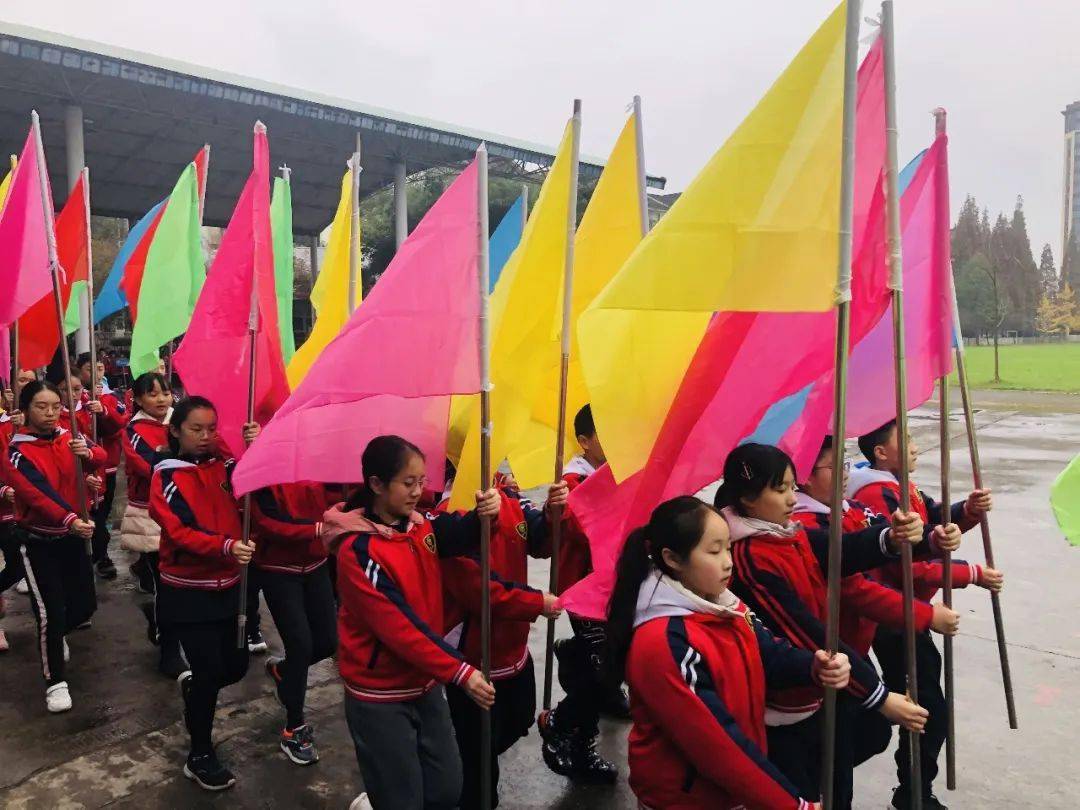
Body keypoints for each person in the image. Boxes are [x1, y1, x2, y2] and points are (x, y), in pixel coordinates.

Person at [717, 443, 934, 809]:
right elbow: (803, 631)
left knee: (839, 775)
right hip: (785, 704)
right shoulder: (751, 557)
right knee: (812, 788)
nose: (791, 497)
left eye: (791, 485)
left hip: (818, 688)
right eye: (781, 489)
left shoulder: (786, 531)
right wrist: (878, 696)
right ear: (749, 500)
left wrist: (891, 538)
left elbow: (840, 549)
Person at [607, 495, 852, 809]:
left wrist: (814, 667)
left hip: (729, 791)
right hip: (688, 799)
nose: (727, 561)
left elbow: (768, 652)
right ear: (672, 559)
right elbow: (717, 744)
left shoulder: (723, 603)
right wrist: (792, 805)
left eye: (727, 547)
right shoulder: (664, 642)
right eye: (713, 551)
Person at [324, 435, 501, 810]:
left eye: (422, 482)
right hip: (380, 693)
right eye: (408, 483)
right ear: (375, 484)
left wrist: (487, 513)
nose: (418, 492)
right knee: (401, 799)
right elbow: (399, 627)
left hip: (424, 682)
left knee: (446, 788)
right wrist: (460, 672)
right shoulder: (358, 551)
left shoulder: (420, 527)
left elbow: (462, 533)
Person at [849, 421, 1003, 810]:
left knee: (925, 704)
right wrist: (972, 574)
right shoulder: (876, 492)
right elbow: (906, 564)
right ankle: (913, 794)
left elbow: (933, 519)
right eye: (907, 440)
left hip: (909, 615)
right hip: (894, 617)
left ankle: (914, 789)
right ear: (880, 452)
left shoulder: (898, 485)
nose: (916, 447)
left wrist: (967, 511)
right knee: (926, 708)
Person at [148, 396, 259, 791]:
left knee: (238, 666)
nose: (206, 436)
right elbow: (179, 529)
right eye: (197, 429)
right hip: (188, 591)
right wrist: (225, 547)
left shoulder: (227, 468)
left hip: (231, 587)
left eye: (212, 428)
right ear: (176, 430)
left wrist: (252, 447)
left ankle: (195, 689)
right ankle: (199, 754)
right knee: (211, 672)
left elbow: (251, 494)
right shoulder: (166, 475)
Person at [440, 472, 566, 809]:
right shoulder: (446, 514)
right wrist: (537, 602)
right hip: (474, 655)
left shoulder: (508, 493)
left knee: (519, 718)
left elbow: (539, 541)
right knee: (480, 771)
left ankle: (461, 758)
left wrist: (554, 514)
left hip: (514, 647)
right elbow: (479, 589)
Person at [4, 380, 104, 712]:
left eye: (54, 406)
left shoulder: (70, 433)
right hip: (38, 540)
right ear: (26, 409)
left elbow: (99, 457)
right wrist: (69, 519)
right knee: (51, 612)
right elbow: (35, 493)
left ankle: (58, 634)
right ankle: (55, 681)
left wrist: (87, 455)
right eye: (41, 407)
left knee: (85, 605)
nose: (49, 413)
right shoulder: (17, 450)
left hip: (74, 536)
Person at [539, 404, 622, 785]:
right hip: (586, 589)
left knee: (607, 661)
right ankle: (561, 722)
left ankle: (577, 662)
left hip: (614, 585)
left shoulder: (620, 469)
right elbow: (572, 525)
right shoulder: (574, 480)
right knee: (603, 669)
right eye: (606, 432)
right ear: (584, 441)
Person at [253, 481, 337, 765]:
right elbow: (267, 522)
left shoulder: (314, 462)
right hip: (278, 568)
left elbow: (335, 497)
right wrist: (316, 529)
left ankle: (284, 670)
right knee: (300, 644)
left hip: (316, 563)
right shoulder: (261, 467)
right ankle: (294, 727)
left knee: (327, 641)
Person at [121, 371, 187, 676]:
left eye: (165, 392)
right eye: (152, 394)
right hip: (151, 516)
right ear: (138, 399)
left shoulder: (183, 421)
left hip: (187, 511)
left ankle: (162, 625)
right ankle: (170, 650)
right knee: (166, 583)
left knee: (181, 582)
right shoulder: (134, 430)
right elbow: (149, 466)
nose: (161, 399)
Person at [75, 352, 129, 580]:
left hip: (106, 467)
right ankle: (90, 555)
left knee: (103, 512)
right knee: (87, 515)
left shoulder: (107, 397)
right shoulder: (75, 403)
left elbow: (120, 424)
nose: (96, 373)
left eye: (99, 368)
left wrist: (103, 411)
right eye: (89, 368)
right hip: (81, 471)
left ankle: (101, 554)